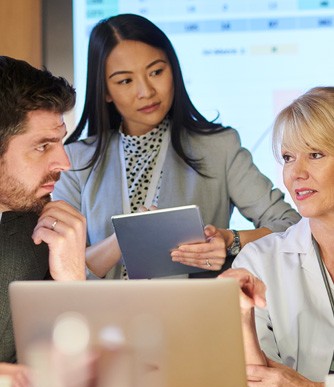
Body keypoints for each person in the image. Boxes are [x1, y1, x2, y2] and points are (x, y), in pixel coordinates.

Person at [53, 13, 300, 280]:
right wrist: (125, 238)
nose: (146, 91)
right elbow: (61, 267)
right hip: (101, 317)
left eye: (156, 72)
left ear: (174, 69)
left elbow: (289, 226)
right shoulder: (75, 161)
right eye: (125, 80)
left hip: (192, 314)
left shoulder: (219, 147)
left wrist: (230, 240)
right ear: (105, 91)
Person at [220, 86, 334, 387]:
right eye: (288, 158)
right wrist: (240, 321)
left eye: (315, 154)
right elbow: (257, 385)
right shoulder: (259, 261)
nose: (296, 174)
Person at [0, 56, 87, 387]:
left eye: (60, 141)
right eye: (42, 146)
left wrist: (72, 283)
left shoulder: (37, 237)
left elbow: (78, 386)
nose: (64, 163)